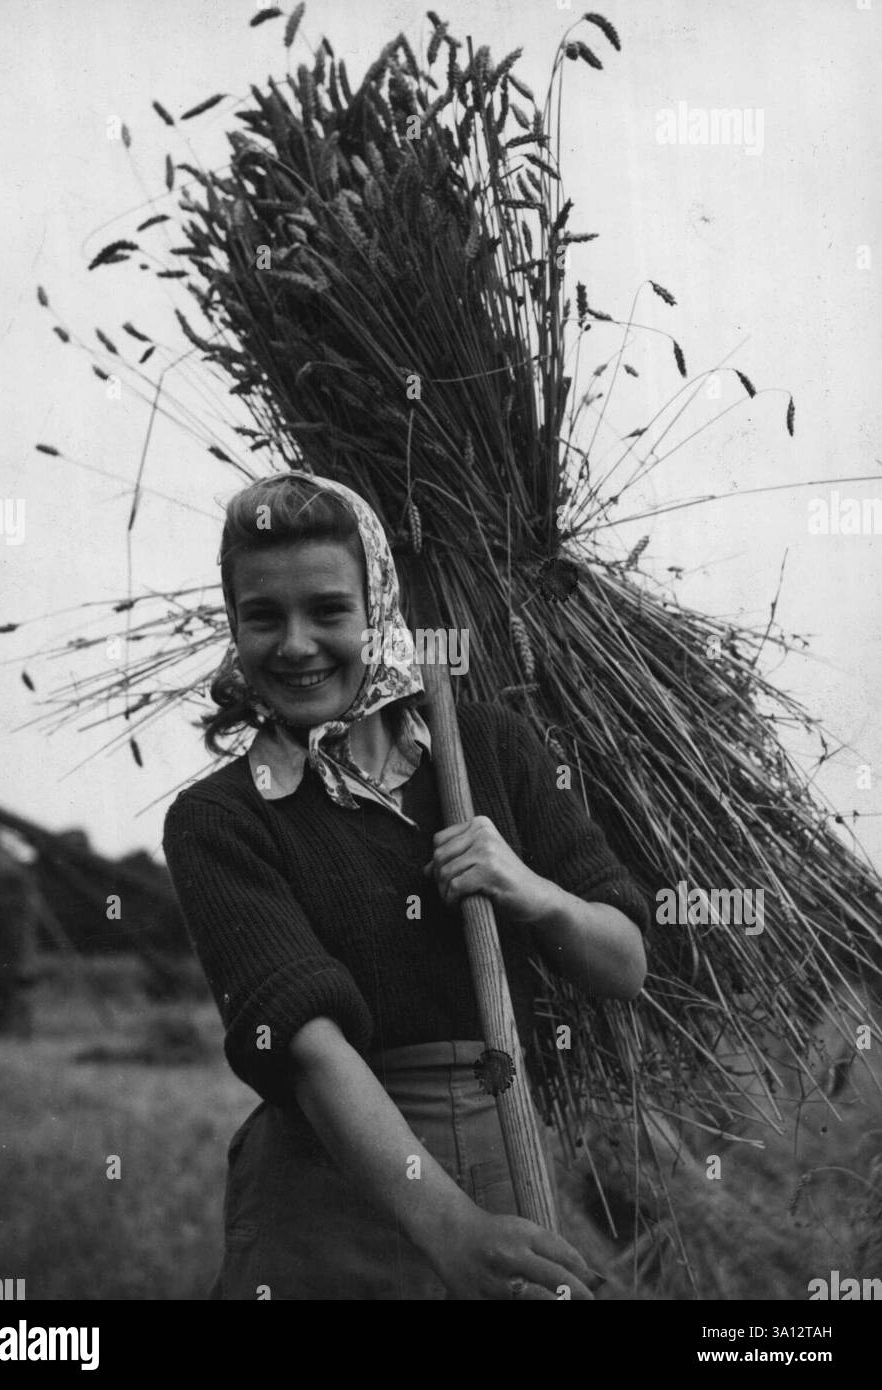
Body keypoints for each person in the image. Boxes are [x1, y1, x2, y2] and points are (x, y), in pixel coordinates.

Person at [162, 470, 650, 1300]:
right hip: (330, 1201)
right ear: (234, 628)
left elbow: (626, 962)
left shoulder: (493, 750)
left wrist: (533, 891)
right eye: (262, 617)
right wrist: (455, 1235)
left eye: (328, 610)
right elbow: (309, 1047)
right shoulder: (221, 819)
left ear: (377, 608)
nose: (295, 645)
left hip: (506, 1162)